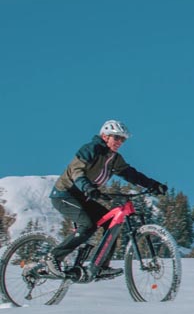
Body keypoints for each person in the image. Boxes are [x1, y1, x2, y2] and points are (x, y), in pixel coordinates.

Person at [50, 120, 168, 280]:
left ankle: (100, 267)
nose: (120, 142)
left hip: (84, 197)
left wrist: (153, 185)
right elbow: (76, 171)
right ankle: (54, 258)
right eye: (117, 138)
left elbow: (131, 174)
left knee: (110, 222)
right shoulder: (90, 149)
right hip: (65, 194)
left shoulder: (114, 158)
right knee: (88, 225)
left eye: (123, 139)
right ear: (105, 136)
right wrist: (88, 188)